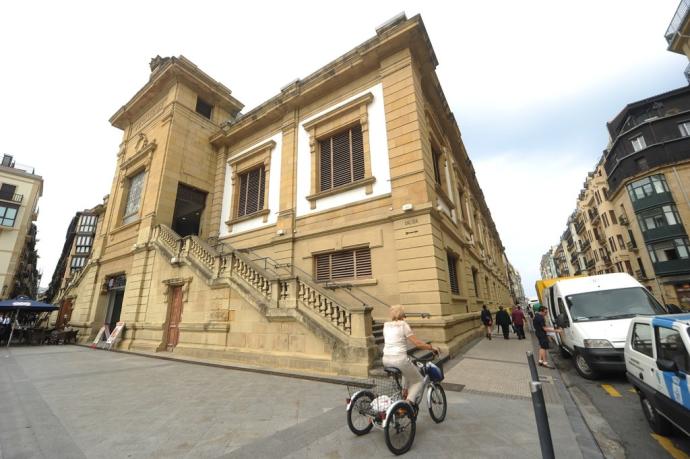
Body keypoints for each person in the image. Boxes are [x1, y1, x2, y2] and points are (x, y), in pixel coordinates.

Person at [383, 305, 439, 410]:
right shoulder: (403, 325)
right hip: (399, 359)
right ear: (402, 315)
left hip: (386, 359)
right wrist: (431, 348)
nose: (404, 317)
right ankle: (407, 405)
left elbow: (394, 342)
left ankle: (404, 391)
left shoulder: (386, 325)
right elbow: (418, 344)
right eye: (404, 314)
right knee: (419, 381)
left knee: (407, 369)